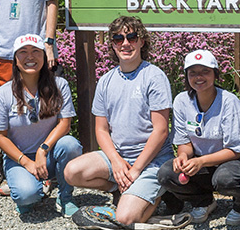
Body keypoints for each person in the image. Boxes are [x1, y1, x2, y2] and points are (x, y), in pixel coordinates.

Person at [64, 16, 174, 227]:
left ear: (142, 41)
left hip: (152, 160)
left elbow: (160, 131)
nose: (125, 43)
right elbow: (101, 130)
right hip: (120, 156)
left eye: (131, 37)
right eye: (118, 38)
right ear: (112, 44)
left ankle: (156, 194)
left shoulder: (154, 76)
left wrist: (135, 169)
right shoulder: (106, 80)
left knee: (125, 219)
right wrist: (116, 161)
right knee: (72, 172)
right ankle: (120, 188)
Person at [157, 49, 240, 225]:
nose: (199, 77)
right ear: (186, 76)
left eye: (205, 71)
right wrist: (183, 156)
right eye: (193, 73)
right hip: (205, 163)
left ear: (215, 75)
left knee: (225, 178)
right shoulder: (182, 101)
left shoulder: (230, 102)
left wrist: (200, 162)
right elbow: (184, 142)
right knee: (167, 173)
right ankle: (204, 202)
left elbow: (235, 150)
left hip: (238, 162)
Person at [0, 34, 82, 216]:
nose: (30, 57)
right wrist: (27, 162)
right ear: (15, 59)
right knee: (26, 196)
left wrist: (42, 150)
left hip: (50, 152)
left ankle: (65, 198)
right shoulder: (2, 94)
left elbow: (65, 124)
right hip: (19, 158)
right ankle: (29, 191)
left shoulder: (59, 85)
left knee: (70, 145)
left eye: (35, 51)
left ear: (44, 57)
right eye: (23, 52)